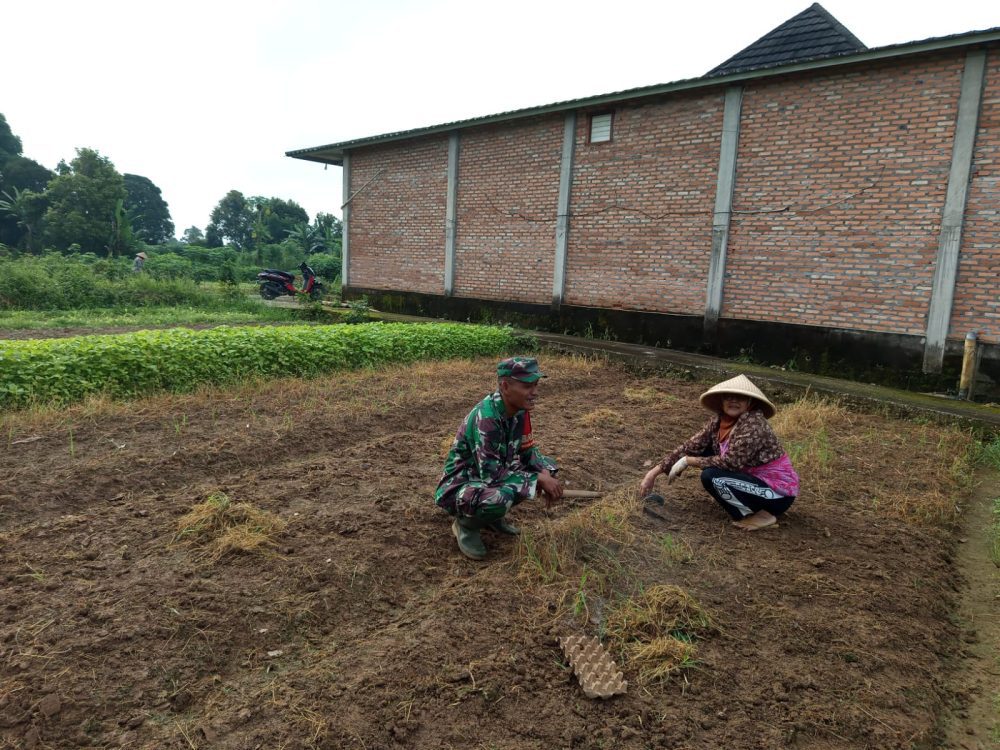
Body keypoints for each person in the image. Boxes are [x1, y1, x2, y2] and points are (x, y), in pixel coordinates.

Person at [436, 356, 564, 560]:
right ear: (505, 386)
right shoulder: (487, 418)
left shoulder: (520, 411)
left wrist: (544, 472)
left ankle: (492, 519)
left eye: (536, 385)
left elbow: (528, 451)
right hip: (462, 485)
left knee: (547, 467)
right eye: (527, 386)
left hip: (492, 476)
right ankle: (466, 525)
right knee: (500, 497)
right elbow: (492, 475)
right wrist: (538, 480)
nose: (534, 392)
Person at [639, 374, 799, 531]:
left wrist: (689, 461)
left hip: (776, 494)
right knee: (704, 450)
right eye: (728, 397)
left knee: (711, 476)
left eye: (740, 398)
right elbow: (691, 446)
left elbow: (731, 463)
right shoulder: (719, 421)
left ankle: (761, 515)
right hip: (752, 482)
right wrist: (653, 473)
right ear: (721, 401)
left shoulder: (754, 424)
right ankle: (747, 504)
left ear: (749, 402)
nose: (733, 401)